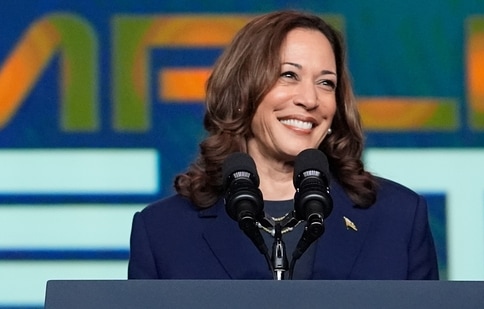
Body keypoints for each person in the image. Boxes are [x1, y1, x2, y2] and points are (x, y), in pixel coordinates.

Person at [128, 10, 439, 280]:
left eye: (326, 82)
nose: (309, 99)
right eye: (289, 75)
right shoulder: (163, 232)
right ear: (241, 95)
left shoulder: (397, 217)